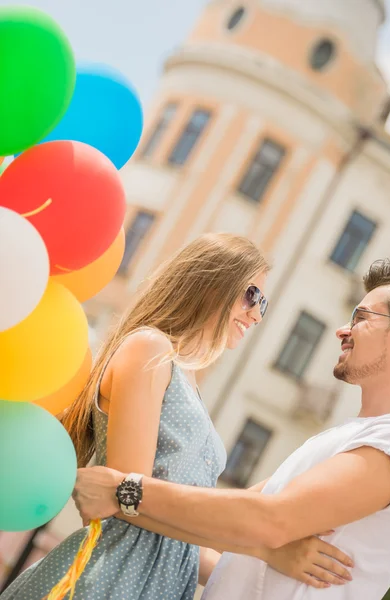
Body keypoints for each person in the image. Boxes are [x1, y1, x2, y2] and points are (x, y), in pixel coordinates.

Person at [73, 258, 390, 599]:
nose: (342, 330)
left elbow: (269, 520)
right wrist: (124, 497)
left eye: (360, 318)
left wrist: (124, 489)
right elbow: (225, 523)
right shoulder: (342, 441)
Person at [1, 233, 353, 600]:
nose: (256, 314)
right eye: (252, 295)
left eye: (264, 303)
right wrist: (263, 548)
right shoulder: (150, 349)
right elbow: (125, 497)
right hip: (109, 579)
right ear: (212, 283)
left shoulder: (187, 379)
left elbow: (181, 543)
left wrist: (276, 579)